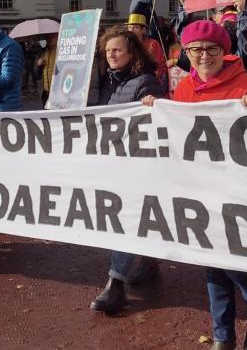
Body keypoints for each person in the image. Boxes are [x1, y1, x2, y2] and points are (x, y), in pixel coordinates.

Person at [142, 20, 247, 350]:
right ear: (186, 52)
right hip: (201, 187)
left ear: (223, 51)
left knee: (239, 263)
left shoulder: (246, 83)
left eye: (211, 49)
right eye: (196, 49)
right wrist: (153, 109)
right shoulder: (184, 88)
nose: (204, 56)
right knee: (213, 265)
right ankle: (222, 336)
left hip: (239, 189)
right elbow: (177, 130)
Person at [88, 27, 164, 315]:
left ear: (132, 52)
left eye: (117, 50)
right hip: (114, 164)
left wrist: (155, 106)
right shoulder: (106, 83)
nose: (111, 55)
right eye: (108, 51)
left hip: (139, 166)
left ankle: (115, 285)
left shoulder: (146, 82)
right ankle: (148, 259)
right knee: (133, 218)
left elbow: (160, 123)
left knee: (127, 218)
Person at [127, 13, 168, 89]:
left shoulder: (153, 44)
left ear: (143, 30)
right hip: (130, 84)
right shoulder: (125, 45)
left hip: (150, 84)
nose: (131, 30)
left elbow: (162, 66)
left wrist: (152, 76)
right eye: (129, 27)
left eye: (135, 27)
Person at [36, 33, 58, 106]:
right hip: (45, 91)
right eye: (48, 37)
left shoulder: (62, 50)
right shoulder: (43, 50)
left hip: (57, 91)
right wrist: (39, 64)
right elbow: (36, 72)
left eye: (53, 36)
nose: (51, 38)